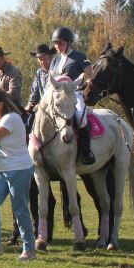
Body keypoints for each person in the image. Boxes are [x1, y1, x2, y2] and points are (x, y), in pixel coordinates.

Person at [0, 89, 36, 261]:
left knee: (20, 209)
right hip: (1, 169)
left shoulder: (12, 118)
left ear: (1, 105)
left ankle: (29, 249)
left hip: (19, 169)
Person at [49, 27, 95, 165]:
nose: (57, 46)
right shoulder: (55, 61)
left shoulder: (79, 56)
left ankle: (86, 151)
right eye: (56, 43)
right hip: (58, 97)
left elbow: (91, 75)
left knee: (81, 118)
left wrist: (85, 83)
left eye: (60, 43)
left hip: (75, 94)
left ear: (69, 42)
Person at [25, 44, 56, 115]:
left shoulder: (56, 71)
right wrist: (31, 104)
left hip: (54, 106)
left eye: (45, 59)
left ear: (51, 58)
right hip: (41, 107)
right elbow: (35, 92)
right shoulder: (39, 72)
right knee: (27, 121)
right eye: (40, 59)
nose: (43, 62)